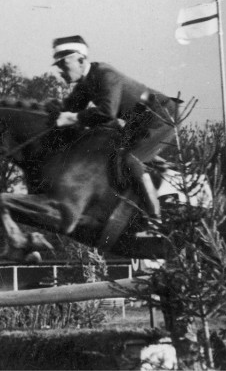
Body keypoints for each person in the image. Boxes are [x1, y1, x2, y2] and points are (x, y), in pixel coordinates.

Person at [50, 35, 180, 228]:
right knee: (112, 155)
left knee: (130, 160)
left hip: (160, 116)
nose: (60, 71)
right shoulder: (84, 85)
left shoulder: (105, 74)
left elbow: (106, 113)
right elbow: (66, 109)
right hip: (138, 120)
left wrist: (73, 118)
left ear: (80, 59)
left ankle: (155, 219)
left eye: (63, 64)